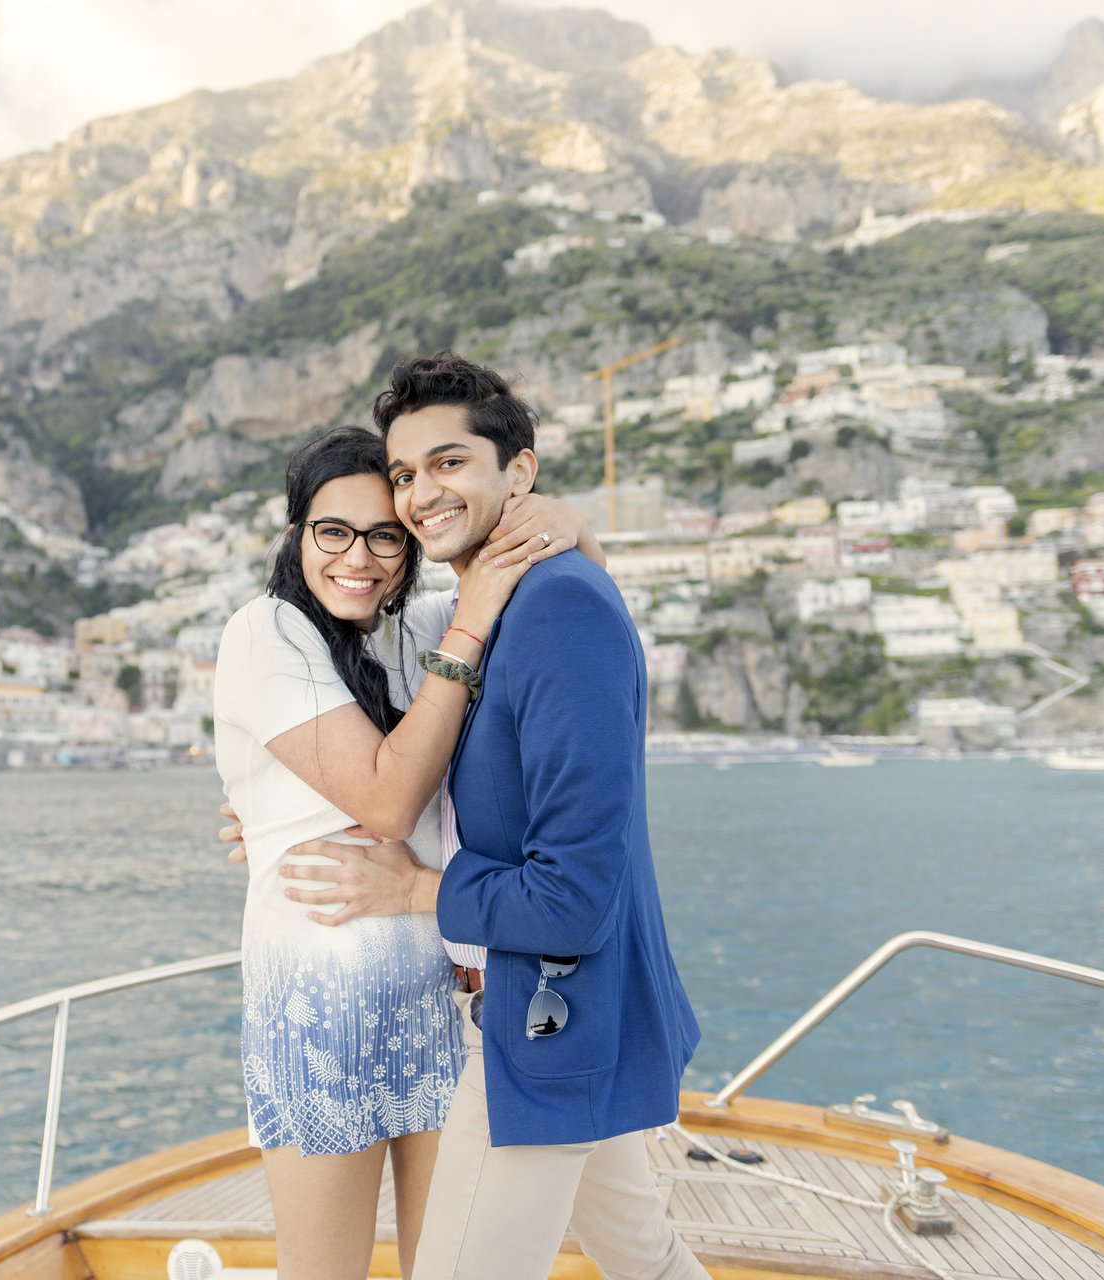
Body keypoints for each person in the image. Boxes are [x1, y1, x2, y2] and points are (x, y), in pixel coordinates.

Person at [277, 354, 706, 1280]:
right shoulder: (498, 606)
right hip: (561, 1014)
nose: (420, 493)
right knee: (645, 1258)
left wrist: (415, 890)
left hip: (553, 1022)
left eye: (449, 462)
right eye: (404, 473)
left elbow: (576, 896)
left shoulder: (555, 611)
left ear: (519, 470)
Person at [213, 424, 601, 1280]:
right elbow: (388, 802)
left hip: (436, 1005)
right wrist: (467, 632)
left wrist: (568, 519)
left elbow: (574, 594)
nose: (363, 557)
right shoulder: (265, 632)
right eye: (333, 531)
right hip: (315, 1015)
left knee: (448, 1267)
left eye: (386, 533)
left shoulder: (411, 627)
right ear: (295, 535)